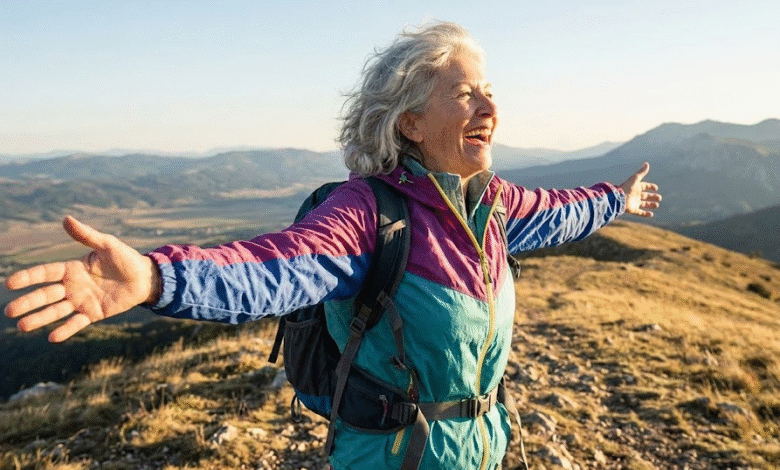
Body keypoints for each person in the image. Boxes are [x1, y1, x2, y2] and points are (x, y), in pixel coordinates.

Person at [4, 21, 660, 470]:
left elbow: (562, 212)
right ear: (410, 121)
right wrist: (154, 278)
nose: (490, 105)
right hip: (388, 456)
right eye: (466, 93)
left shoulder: (495, 206)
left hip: (481, 445)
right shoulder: (368, 212)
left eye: (492, 91)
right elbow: (269, 269)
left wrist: (618, 199)